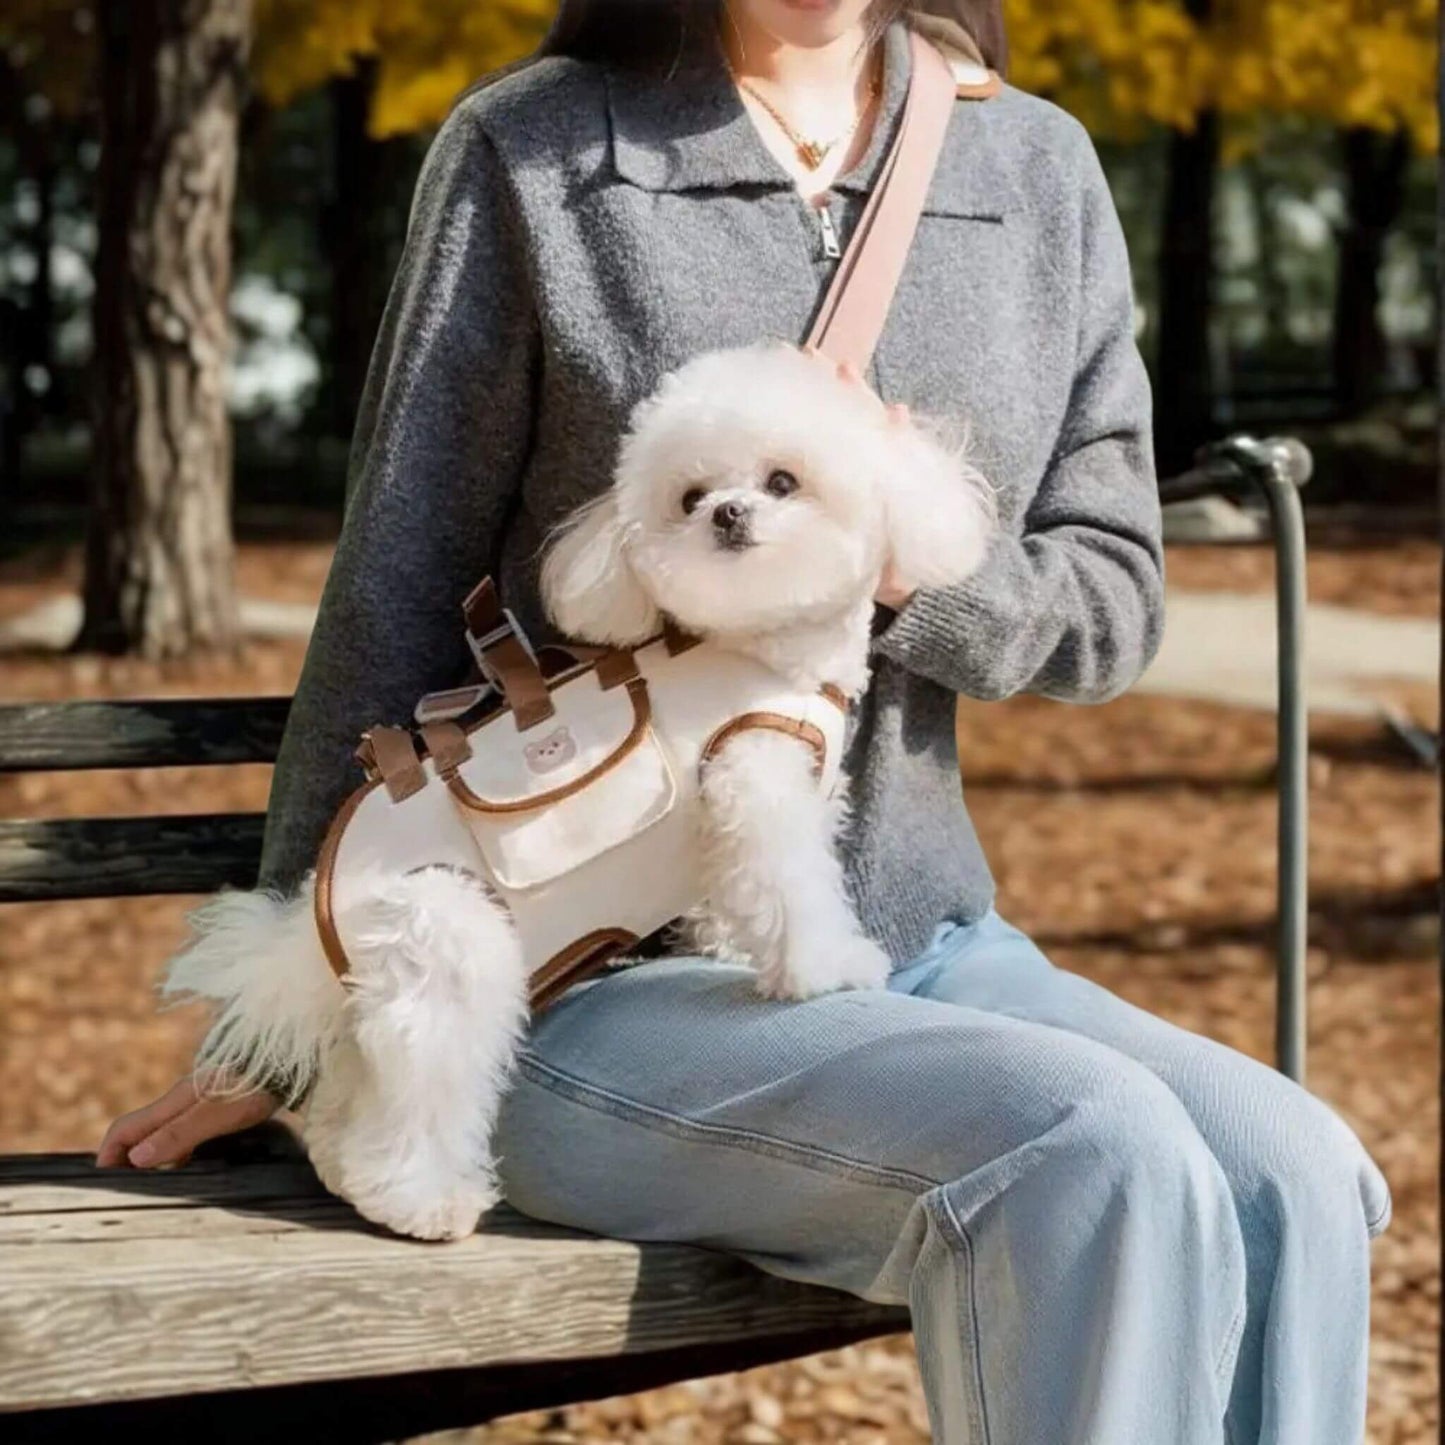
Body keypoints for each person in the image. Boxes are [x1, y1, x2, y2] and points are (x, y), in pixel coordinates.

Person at [99, 2, 1391, 1440]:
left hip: (923, 947)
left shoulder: (1033, 171)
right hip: (571, 984)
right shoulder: (535, 152)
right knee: (1091, 1148)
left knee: (1291, 1164)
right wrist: (278, 1027)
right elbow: (394, 577)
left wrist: (899, 569)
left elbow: (1109, 601)